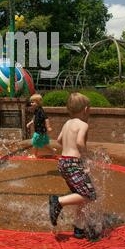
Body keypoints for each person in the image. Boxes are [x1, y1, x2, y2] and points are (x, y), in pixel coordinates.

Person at [49, 92, 96, 239]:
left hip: (63, 162)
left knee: (80, 196)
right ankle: (58, 201)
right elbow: (80, 142)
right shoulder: (83, 124)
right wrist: (86, 158)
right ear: (86, 109)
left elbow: (59, 140)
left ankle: (79, 228)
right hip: (73, 163)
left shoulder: (67, 123)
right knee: (89, 195)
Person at [26, 94, 55, 158]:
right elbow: (34, 118)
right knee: (45, 143)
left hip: (39, 131)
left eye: (33, 102)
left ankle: (34, 155)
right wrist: (30, 122)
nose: (31, 103)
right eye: (31, 102)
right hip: (42, 131)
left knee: (35, 142)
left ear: (38, 103)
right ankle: (53, 150)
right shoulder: (36, 110)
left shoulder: (41, 111)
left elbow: (46, 118)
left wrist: (48, 127)